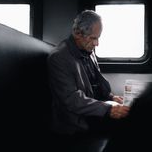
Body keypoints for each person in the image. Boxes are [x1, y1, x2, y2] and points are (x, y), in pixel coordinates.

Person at [47, 10, 130, 138]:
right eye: (93, 38)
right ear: (77, 33)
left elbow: (95, 84)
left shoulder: (89, 51)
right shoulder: (59, 58)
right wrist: (108, 109)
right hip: (76, 122)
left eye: (98, 38)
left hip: (92, 113)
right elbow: (71, 99)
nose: (97, 44)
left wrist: (111, 97)